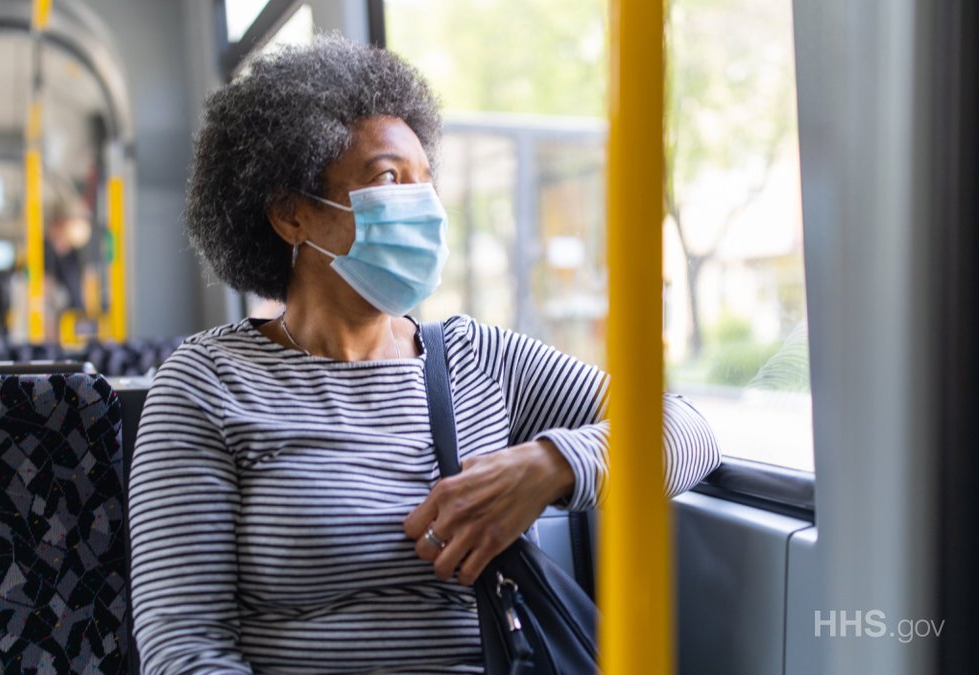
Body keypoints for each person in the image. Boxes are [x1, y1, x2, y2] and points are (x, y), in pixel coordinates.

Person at [129, 36, 720, 674]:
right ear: (289, 214)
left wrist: (548, 464)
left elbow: (688, 428)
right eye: (388, 178)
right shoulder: (206, 385)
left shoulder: (478, 358)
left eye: (425, 182)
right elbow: (185, 648)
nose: (423, 208)